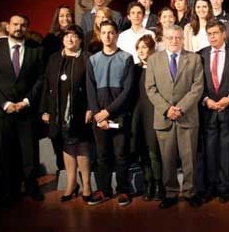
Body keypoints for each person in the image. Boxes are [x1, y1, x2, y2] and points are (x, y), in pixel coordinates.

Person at [0, 14, 45, 205]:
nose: (19, 28)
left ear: (28, 28)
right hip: (2, 111)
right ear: (8, 27)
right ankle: (11, 190)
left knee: (29, 153)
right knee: (6, 153)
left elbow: (40, 79)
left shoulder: (36, 50)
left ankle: (31, 186)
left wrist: (26, 101)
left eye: (23, 25)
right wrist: (6, 104)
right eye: (15, 24)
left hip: (26, 110)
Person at [145, 25, 204, 209]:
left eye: (178, 37)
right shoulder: (154, 60)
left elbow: (197, 87)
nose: (174, 41)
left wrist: (181, 108)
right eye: (170, 37)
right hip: (164, 118)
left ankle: (190, 192)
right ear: (164, 39)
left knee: (189, 158)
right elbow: (150, 88)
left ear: (183, 39)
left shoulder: (194, 59)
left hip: (187, 117)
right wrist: (167, 109)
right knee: (167, 158)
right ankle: (170, 192)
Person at [40, 25, 93, 203]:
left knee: (82, 146)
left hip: (80, 110)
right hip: (58, 111)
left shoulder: (87, 58)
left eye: (74, 36)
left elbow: (92, 86)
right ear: (62, 39)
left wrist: (90, 108)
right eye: (67, 36)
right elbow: (46, 85)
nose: (70, 39)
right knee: (67, 146)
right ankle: (71, 183)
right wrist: (45, 109)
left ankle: (86, 184)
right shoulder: (54, 59)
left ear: (80, 40)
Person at [86, 21, 135, 206]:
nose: (108, 36)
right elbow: (90, 89)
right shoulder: (93, 60)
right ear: (100, 35)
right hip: (99, 115)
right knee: (102, 155)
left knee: (121, 154)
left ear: (116, 35)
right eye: (104, 33)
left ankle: (123, 190)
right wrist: (98, 114)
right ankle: (104, 191)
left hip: (119, 113)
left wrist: (108, 111)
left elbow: (128, 90)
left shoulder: (126, 58)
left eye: (111, 33)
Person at [198, 20, 229, 203]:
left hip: (228, 109)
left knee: (226, 150)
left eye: (216, 33)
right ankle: (210, 186)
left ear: (224, 34)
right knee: (209, 150)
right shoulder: (201, 55)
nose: (212, 37)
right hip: (208, 110)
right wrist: (206, 99)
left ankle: (224, 187)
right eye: (210, 34)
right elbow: (197, 83)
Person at [131, 35, 164, 201]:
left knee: (153, 151)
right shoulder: (134, 68)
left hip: (153, 112)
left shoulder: (159, 67)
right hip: (138, 113)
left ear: (152, 49)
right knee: (142, 150)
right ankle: (148, 183)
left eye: (144, 47)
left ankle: (159, 184)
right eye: (139, 48)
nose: (141, 51)